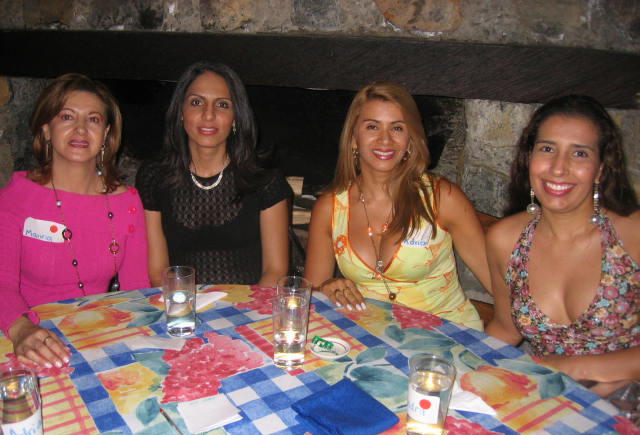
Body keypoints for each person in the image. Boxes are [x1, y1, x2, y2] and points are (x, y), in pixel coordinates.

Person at [485, 95, 639, 397]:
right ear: (529, 157)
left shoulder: (632, 234)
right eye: (547, 149)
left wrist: (573, 368)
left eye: (579, 153)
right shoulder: (505, 239)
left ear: (600, 168)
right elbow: (505, 329)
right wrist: (464, 369)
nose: (558, 168)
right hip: (553, 403)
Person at [305, 81, 491, 330]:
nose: (385, 140)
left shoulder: (443, 198)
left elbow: (499, 287)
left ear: (410, 140)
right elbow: (311, 297)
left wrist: (498, 342)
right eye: (372, 126)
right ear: (353, 139)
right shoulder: (329, 207)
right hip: (373, 338)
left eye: (397, 128)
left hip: (449, 336)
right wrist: (327, 287)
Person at [0, 73, 150, 368]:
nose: (81, 129)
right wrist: (22, 329)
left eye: (93, 119)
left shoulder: (127, 202)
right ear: (47, 129)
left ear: (106, 134)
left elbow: (136, 291)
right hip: (26, 337)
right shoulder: (17, 197)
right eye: (67, 117)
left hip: (98, 338)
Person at [136, 61, 291, 287]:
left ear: (236, 116)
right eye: (196, 102)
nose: (208, 115)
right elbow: (158, 271)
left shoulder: (265, 178)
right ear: (181, 112)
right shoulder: (154, 176)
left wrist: (247, 307)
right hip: (180, 302)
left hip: (250, 303)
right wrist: (182, 305)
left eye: (222, 105)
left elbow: (275, 270)